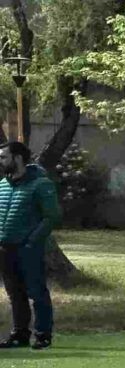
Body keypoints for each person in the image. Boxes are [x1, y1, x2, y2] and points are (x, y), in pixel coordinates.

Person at [0, 141, 59, 350]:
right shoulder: (3, 185)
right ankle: (20, 334)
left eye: (4, 157)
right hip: (5, 249)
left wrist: (31, 242)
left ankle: (43, 335)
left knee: (37, 292)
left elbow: (51, 216)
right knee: (15, 294)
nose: (1, 161)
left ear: (17, 158)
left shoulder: (41, 184)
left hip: (28, 249)